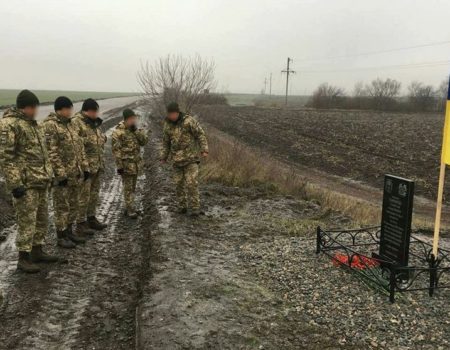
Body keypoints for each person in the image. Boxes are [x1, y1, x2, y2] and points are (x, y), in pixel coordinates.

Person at [0, 90, 59, 273]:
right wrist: (15, 183)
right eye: (34, 107)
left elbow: (42, 154)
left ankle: (37, 251)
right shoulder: (9, 125)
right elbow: (5, 157)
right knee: (27, 221)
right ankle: (23, 258)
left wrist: (50, 174)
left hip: (40, 180)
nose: (36, 111)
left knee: (41, 218)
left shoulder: (33, 125)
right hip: (26, 184)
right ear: (26, 107)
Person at [42, 96, 92, 248]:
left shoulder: (71, 125)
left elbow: (79, 148)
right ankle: (61, 235)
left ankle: (70, 231)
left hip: (74, 173)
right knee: (61, 206)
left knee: (73, 204)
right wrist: (60, 174)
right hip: (62, 176)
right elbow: (52, 152)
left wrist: (84, 167)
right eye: (69, 108)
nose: (71, 111)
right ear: (61, 109)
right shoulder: (51, 126)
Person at [160, 102, 208, 216]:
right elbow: (166, 143)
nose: (171, 116)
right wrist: (163, 157)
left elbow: (200, 134)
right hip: (176, 160)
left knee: (191, 183)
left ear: (177, 112)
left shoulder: (188, 121)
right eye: (169, 114)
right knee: (178, 184)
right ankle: (182, 206)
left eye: (173, 114)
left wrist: (204, 149)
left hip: (190, 159)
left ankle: (195, 207)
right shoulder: (167, 125)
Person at [72, 99, 107, 230]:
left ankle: (91, 218)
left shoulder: (93, 123)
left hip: (97, 165)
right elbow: (76, 146)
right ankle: (81, 223)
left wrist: (102, 139)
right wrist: (83, 166)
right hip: (85, 167)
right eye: (96, 111)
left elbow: (97, 138)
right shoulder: (77, 123)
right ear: (89, 111)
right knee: (83, 196)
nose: (97, 113)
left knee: (94, 194)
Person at [111, 108, 149, 218]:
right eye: (131, 119)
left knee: (132, 188)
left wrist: (136, 130)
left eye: (134, 118)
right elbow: (116, 150)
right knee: (128, 188)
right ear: (126, 119)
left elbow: (144, 142)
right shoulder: (118, 132)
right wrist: (119, 166)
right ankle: (130, 209)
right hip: (126, 166)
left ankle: (130, 207)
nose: (133, 120)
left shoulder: (136, 130)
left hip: (136, 165)